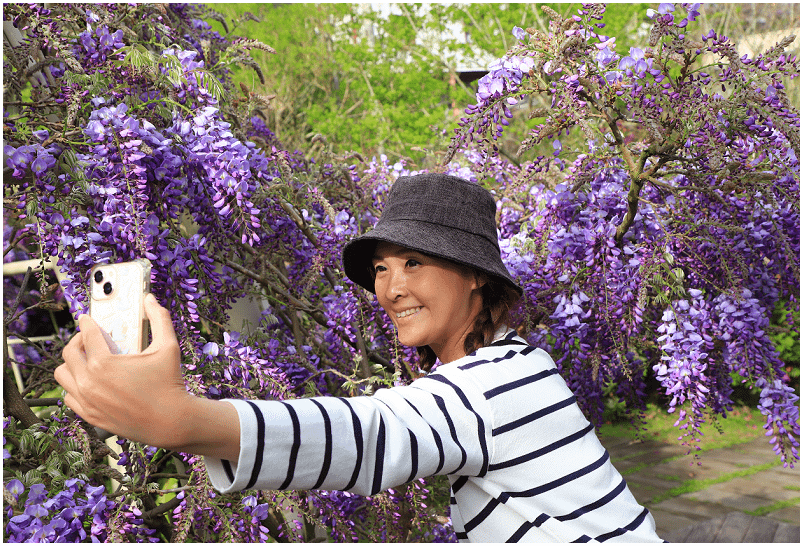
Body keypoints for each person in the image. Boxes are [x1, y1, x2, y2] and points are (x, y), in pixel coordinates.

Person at [56, 173, 664, 543]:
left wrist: (189, 422)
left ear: (478, 278)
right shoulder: (521, 364)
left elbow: (375, 435)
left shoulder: (492, 388)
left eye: (415, 262)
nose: (391, 287)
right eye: (381, 267)